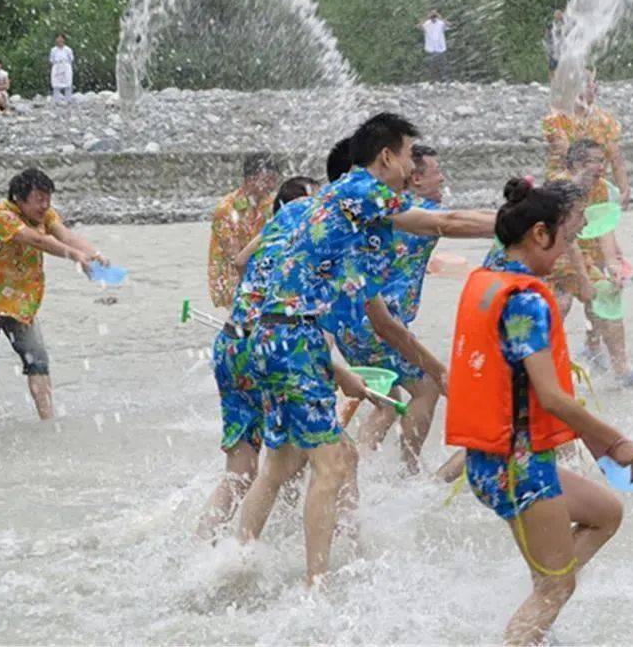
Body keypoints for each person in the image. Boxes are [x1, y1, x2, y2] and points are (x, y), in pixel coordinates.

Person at [236, 113, 495, 585]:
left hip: (271, 335)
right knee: (331, 465)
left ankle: (235, 560)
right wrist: (515, 221)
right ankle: (316, 587)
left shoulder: (331, 205)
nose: (411, 170)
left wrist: (337, 367)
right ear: (387, 156)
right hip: (294, 337)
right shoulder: (362, 191)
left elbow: (254, 261)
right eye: (409, 156)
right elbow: (444, 220)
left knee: (286, 463)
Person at [445, 177, 633, 645]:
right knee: (559, 585)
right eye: (567, 237)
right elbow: (553, 397)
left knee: (605, 512)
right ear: (539, 234)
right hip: (518, 467)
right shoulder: (524, 301)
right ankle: (530, 619)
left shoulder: (490, 273)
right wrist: (614, 442)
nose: (567, 251)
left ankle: (536, 610)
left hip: (494, 461)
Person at [197, 175, 325, 542]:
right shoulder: (308, 240)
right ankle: (271, 536)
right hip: (267, 346)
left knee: (240, 468)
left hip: (231, 343)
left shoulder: (271, 230)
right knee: (292, 452)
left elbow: (238, 261)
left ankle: (206, 544)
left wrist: (252, 296)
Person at [333, 143, 446, 474]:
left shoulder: (377, 210)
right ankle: (408, 471)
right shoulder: (418, 213)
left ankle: (358, 466)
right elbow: (456, 222)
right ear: (415, 179)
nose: (443, 179)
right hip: (381, 324)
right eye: (436, 173)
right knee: (427, 387)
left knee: (386, 401)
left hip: (350, 324)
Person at [0, 168, 108, 420]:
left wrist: (93, 254)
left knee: (38, 363)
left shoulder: (45, 214)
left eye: (48, 198)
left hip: (21, 306)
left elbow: (64, 234)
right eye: (39, 198)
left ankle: (48, 422)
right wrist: (74, 256)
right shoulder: (2, 214)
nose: (45, 205)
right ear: (19, 197)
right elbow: (36, 241)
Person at [561, 139, 633, 387]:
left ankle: (621, 368)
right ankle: (541, 368)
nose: (603, 167)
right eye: (597, 161)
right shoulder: (561, 187)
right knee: (557, 305)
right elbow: (559, 235)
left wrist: (613, 263)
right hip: (555, 258)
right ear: (578, 164)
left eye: (603, 161)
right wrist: (581, 276)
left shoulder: (603, 189)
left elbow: (605, 229)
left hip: (586, 256)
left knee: (608, 295)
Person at [544, 69, 631, 208]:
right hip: (564, 189)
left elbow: (616, 160)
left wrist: (624, 190)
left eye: (593, 82)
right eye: (587, 82)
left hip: (595, 189)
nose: (593, 86)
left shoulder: (605, 120)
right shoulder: (556, 119)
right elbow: (569, 155)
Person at [207, 153, 281, 309]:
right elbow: (236, 259)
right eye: (267, 180)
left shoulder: (270, 203)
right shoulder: (226, 210)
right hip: (230, 277)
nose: (271, 186)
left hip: (258, 270)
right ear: (250, 179)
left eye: (274, 180)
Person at [418, 9, 450, 82]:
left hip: (440, 47)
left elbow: (449, 25)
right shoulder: (426, 23)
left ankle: (444, 79)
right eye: (432, 15)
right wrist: (427, 17)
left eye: (434, 15)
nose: (433, 16)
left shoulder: (441, 23)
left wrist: (440, 17)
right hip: (430, 48)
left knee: (443, 65)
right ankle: (432, 80)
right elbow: (419, 26)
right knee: (431, 65)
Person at [49, 34, 74, 103]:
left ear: (64, 40)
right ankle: (56, 100)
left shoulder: (68, 49)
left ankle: (68, 99)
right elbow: (51, 59)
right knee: (56, 83)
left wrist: (65, 64)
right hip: (57, 66)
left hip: (66, 66)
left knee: (68, 83)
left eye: (61, 38)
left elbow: (71, 59)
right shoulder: (53, 50)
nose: (60, 40)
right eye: (58, 38)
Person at [544, 9, 565, 82]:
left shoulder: (564, 24)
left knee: (560, 64)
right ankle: (552, 81)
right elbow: (546, 35)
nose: (558, 16)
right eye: (557, 14)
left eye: (560, 14)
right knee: (551, 65)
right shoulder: (551, 25)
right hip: (552, 47)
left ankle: (559, 81)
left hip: (561, 47)